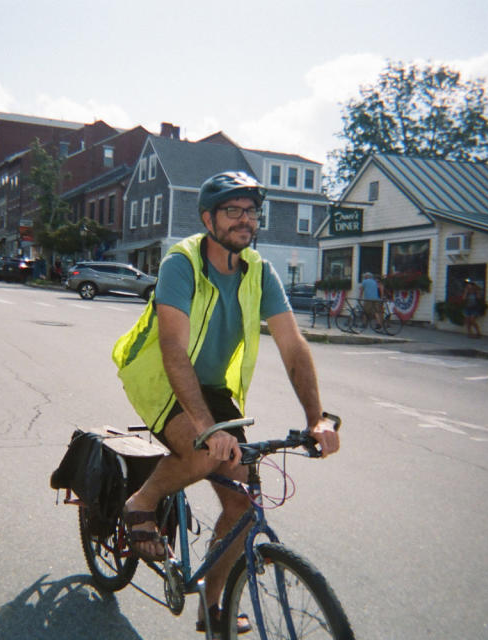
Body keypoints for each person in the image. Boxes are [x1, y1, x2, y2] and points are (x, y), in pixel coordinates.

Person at [111, 171, 341, 635]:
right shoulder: (182, 263)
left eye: (251, 212)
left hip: (211, 385)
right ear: (208, 219)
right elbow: (174, 349)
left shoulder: (259, 271)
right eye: (232, 211)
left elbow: (293, 345)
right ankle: (143, 499)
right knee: (201, 451)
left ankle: (211, 606)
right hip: (158, 374)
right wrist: (204, 425)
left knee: (241, 503)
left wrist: (316, 419)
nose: (245, 220)